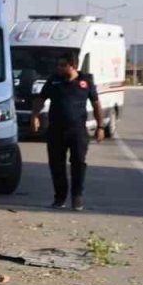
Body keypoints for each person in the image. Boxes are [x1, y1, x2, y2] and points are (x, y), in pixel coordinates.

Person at [30, 55, 105, 210]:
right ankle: (60, 198)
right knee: (56, 165)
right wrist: (35, 116)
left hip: (77, 131)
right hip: (56, 130)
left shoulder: (85, 82)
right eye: (58, 64)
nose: (59, 67)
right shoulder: (54, 80)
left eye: (63, 65)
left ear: (73, 66)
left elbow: (96, 104)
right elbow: (40, 99)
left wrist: (100, 127)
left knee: (78, 164)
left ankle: (77, 196)